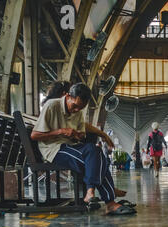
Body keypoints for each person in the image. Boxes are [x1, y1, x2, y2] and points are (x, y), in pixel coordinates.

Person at [30, 83, 136, 215]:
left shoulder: (79, 112)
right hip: (54, 149)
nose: (76, 110)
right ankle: (106, 197)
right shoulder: (52, 106)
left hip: (71, 146)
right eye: (74, 106)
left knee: (96, 152)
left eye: (80, 108)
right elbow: (34, 135)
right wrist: (60, 131)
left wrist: (77, 136)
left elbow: (80, 137)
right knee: (94, 161)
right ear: (68, 96)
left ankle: (93, 192)